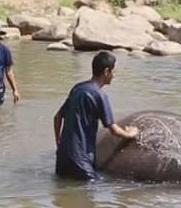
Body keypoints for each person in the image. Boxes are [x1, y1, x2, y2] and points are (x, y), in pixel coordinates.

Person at [54, 51, 139, 182]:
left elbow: (57, 117)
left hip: (62, 158)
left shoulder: (78, 88)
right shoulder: (99, 95)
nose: (114, 76)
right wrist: (130, 134)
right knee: (91, 191)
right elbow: (113, 129)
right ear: (106, 72)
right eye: (113, 72)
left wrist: (59, 142)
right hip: (81, 159)